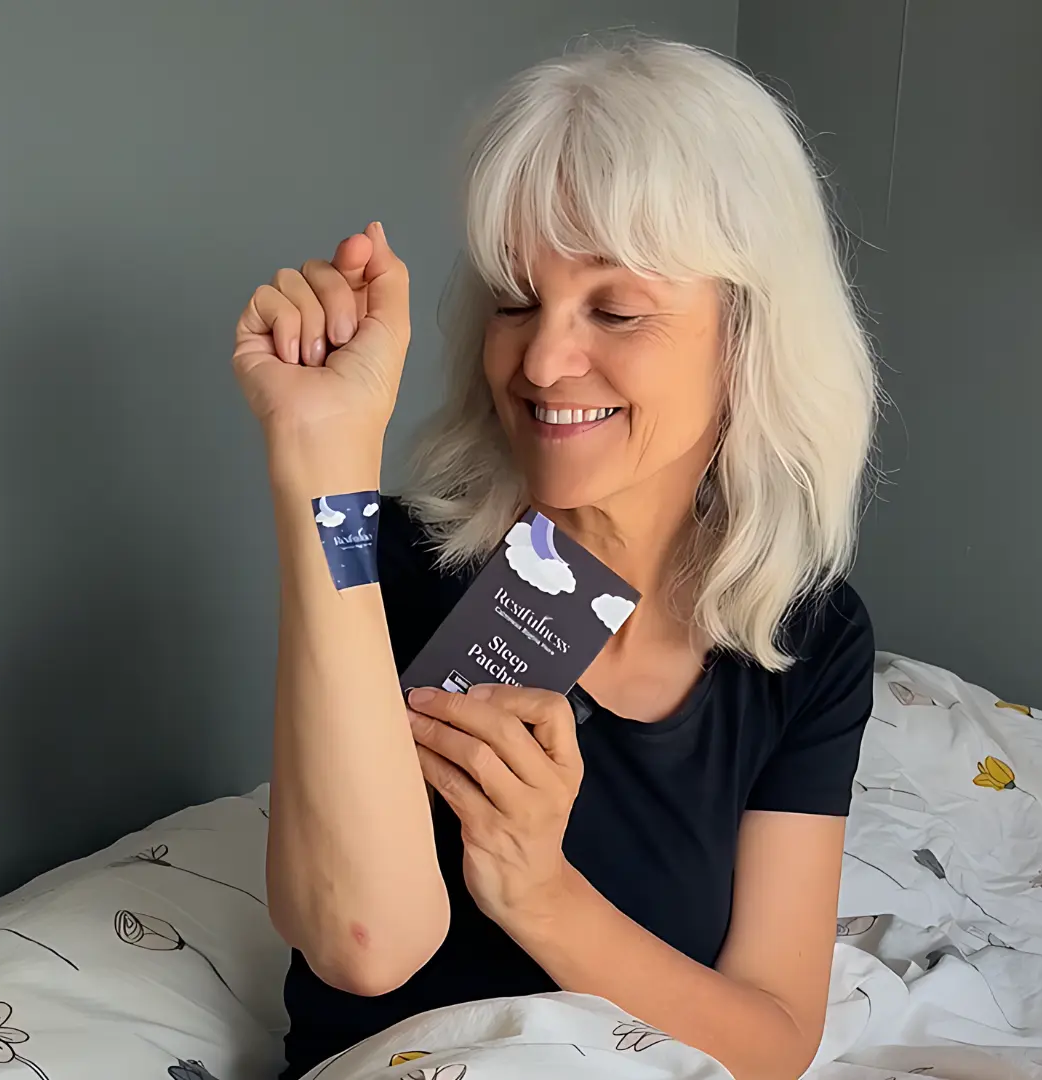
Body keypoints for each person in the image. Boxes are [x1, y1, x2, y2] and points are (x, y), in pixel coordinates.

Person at [232, 35, 877, 1080]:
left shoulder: (806, 635)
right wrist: (322, 464)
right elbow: (361, 945)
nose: (540, 360)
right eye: (515, 299)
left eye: (614, 310)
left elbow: (772, 1038)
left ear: (749, 338)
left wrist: (538, 889)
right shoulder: (389, 556)